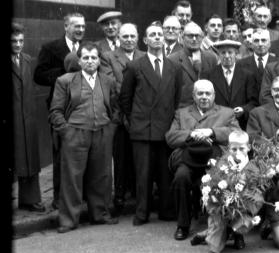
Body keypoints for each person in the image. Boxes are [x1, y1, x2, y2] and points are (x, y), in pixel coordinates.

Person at [49, 42, 120, 232]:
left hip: (102, 133)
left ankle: (100, 214)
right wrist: (66, 131)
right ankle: (68, 220)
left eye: (94, 57)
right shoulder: (65, 81)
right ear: (79, 61)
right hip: (75, 133)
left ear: (99, 61)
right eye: (86, 57)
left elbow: (115, 108)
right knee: (72, 177)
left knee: (101, 176)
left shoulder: (107, 81)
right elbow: (55, 111)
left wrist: (111, 128)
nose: (90, 61)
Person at [120, 23, 183, 225]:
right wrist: (135, 121)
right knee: (143, 174)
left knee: (165, 173)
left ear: (164, 39)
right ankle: (142, 213)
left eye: (159, 34)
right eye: (152, 35)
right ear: (145, 41)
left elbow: (176, 97)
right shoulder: (135, 66)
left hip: (165, 128)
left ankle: (166, 210)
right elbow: (125, 99)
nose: (157, 37)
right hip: (143, 129)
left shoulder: (174, 67)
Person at [165, 79, 239, 241]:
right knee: (181, 177)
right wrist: (191, 134)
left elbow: (236, 134)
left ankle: (222, 225)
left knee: (223, 179)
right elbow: (170, 137)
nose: (204, 97)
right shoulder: (182, 113)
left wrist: (211, 132)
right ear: (194, 95)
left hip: (214, 161)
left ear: (214, 95)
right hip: (188, 159)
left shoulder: (226, 113)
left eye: (207, 93)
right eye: (200, 93)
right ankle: (183, 225)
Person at [34, 12, 86, 209]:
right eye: (76, 26)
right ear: (66, 27)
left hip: (84, 107)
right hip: (60, 109)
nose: (80, 30)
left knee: (82, 153)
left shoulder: (88, 48)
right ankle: (59, 198)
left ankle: (82, 197)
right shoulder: (51, 48)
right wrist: (65, 73)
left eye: (82, 26)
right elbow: (38, 75)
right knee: (60, 154)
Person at [100, 23, 145, 211]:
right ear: (118, 37)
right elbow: (112, 84)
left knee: (139, 156)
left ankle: (137, 192)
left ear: (137, 37)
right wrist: (135, 92)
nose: (129, 40)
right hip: (119, 115)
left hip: (141, 114)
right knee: (120, 156)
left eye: (132, 36)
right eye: (125, 36)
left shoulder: (144, 56)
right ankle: (119, 195)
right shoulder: (108, 57)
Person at [196, 130, 262, 253]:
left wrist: (243, 197)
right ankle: (210, 234)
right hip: (223, 208)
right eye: (234, 149)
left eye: (242, 149)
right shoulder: (222, 163)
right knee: (215, 248)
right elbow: (214, 184)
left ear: (248, 147)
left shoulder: (253, 167)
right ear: (228, 148)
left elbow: (257, 192)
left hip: (243, 207)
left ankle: (237, 234)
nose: (238, 153)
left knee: (246, 218)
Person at [11, 23, 44, 212]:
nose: (18, 44)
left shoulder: (27, 60)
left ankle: (30, 199)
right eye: (14, 41)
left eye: (21, 40)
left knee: (30, 157)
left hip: (28, 117)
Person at [201, 39, 258, 130]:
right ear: (218, 55)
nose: (227, 56)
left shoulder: (248, 75)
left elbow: (254, 102)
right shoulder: (208, 75)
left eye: (230, 52)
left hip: (241, 125)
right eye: (223, 53)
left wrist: (243, 110)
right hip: (216, 125)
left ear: (236, 54)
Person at [168, 22, 219, 108]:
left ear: (202, 38)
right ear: (182, 37)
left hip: (208, 110)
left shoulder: (211, 58)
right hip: (183, 110)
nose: (194, 39)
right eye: (190, 36)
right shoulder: (172, 60)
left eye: (197, 36)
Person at [239, 28, 278, 102]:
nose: (260, 44)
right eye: (256, 41)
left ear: (269, 44)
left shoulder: (278, 63)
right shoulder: (241, 64)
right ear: (252, 44)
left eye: (263, 40)